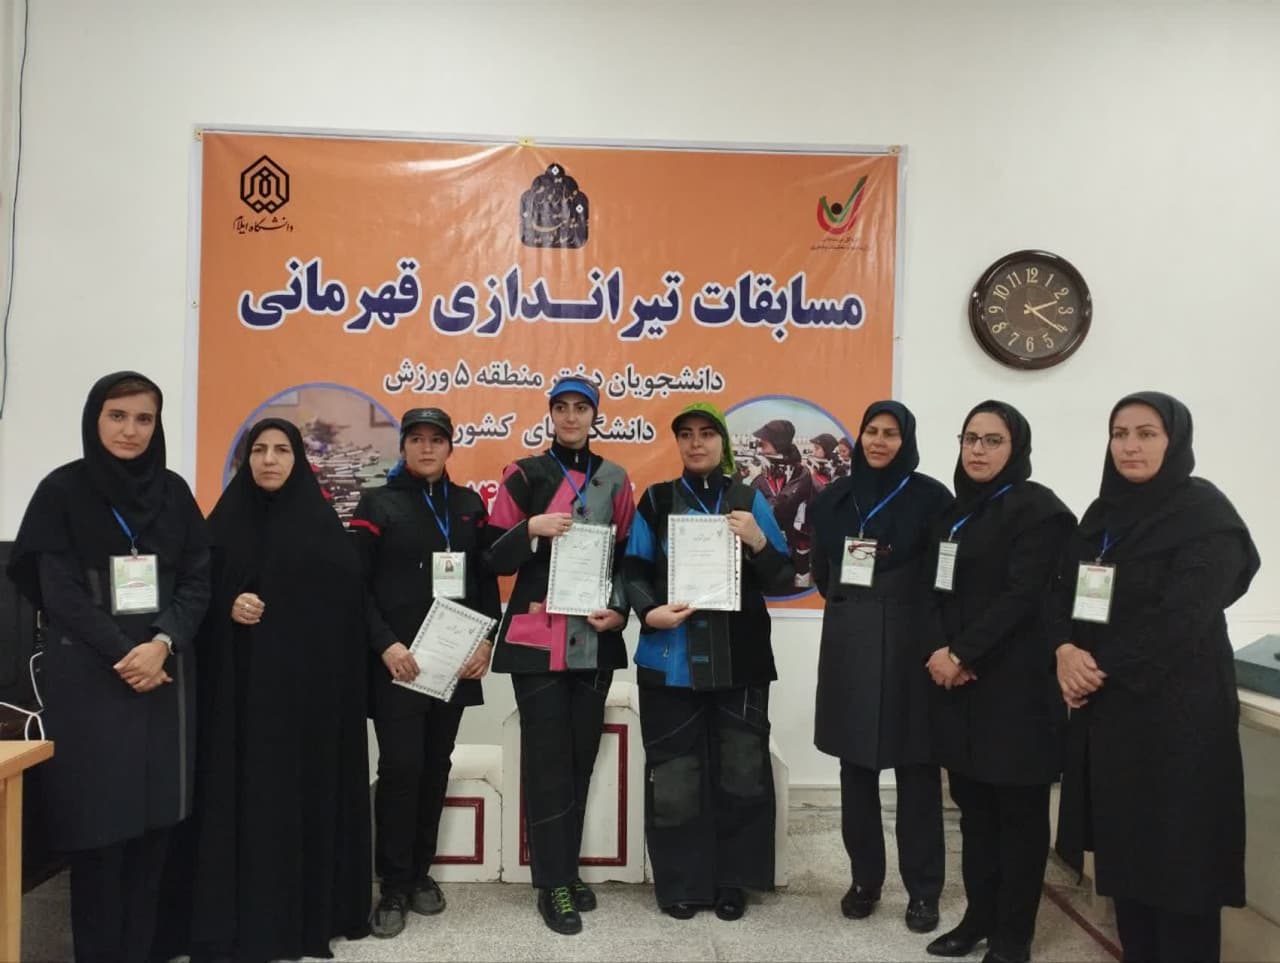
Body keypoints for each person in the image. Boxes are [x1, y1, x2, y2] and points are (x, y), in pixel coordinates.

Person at [6, 372, 210, 963]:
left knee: (154, 834)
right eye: (117, 416)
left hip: (165, 678)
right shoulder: (61, 491)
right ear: (94, 419)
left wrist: (162, 642)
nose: (130, 430)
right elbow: (60, 593)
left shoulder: (174, 493)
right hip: (92, 680)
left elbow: (198, 578)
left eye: (144, 419)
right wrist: (127, 653)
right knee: (99, 835)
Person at [1054, 392, 1259, 963]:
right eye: (1119, 433)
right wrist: (1064, 649)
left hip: (1180, 721)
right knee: (1127, 864)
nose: (1130, 446)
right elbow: (1062, 592)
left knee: (1182, 868)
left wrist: (1096, 667)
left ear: (1175, 440)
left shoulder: (1205, 515)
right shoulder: (1102, 517)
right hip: (1112, 719)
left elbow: (1183, 615)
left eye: (1146, 433)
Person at [157, 418, 371, 962]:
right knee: (236, 800)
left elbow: (347, 613)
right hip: (237, 705)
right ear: (245, 459)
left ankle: (304, 914)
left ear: (298, 460)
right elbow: (192, 593)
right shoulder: (221, 526)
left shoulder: (325, 531)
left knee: (299, 801)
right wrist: (227, 602)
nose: (269, 460)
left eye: (281, 450)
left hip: (306, 708)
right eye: (259, 450)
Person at [622, 402, 794, 921]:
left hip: (739, 661)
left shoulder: (748, 501)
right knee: (675, 775)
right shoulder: (656, 500)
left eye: (706, 434)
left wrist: (758, 540)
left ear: (722, 441)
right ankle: (682, 883)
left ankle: (733, 881)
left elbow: (782, 576)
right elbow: (632, 570)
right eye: (686, 435)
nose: (696, 443)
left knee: (741, 771)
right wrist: (648, 612)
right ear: (678, 443)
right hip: (670, 659)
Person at [923, 402, 1075, 963]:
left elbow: (1024, 595)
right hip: (961, 691)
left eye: (993, 440)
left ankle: (1013, 938)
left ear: (1017, 449)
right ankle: (977, 919)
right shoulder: (954, 514)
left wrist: (962, 652)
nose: (978, 450)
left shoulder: (1040, 511)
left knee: (1019, 819)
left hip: (1018, 693)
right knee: (975, 813)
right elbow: (935, 591)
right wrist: (942, 652)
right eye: (970, 438)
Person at [485, 377, 636, 935]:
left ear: (595, 416)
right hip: (536, 641)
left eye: (581, 408)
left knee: (579, 760)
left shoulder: (615, 478)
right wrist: (531, 527)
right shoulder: (525, 475)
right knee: (548, 764)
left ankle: (566, 871)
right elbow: (492, 556)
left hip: (594, 639)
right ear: (550, 414)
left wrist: (620, 609)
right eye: (562, 408)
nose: (571, 417)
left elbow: (627, 558)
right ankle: (552, 885)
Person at [350, 408, 500, 939]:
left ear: (450, 447)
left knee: (436, 765)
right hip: (400, 663)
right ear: (404, 447)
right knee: (401, 769)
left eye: (437, 439)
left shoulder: (468, 505)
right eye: (417, 439)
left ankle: (419, 874)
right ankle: (392, 885)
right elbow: (356, 586)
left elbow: (484, 581)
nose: (427, 448)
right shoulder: (378, 504)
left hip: (454, 663)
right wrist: (386, 645)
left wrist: (487, 639)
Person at [810, 400, 952, 933]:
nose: (879, 441)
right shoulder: (833, 498)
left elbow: (945, 576)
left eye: (891, 433)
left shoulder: (933, 499)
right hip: (850, 646)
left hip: (913, 648)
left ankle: (924, 892)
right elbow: (822, 573)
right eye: (872, 430)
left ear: (906, 440)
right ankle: (864, 881)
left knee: (917, 773)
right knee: (856, 773)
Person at [750, 419, 816, 588]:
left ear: (778, 444)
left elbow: (780, 508)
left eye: (763, 445)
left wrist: (757, 479)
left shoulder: (801, 474)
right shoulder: (766, 475)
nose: (760, 450)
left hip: (795, 554)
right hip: (766, 552)